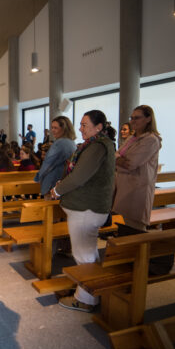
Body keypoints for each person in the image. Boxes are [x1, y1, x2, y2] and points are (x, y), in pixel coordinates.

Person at [50, 110, 116, 313]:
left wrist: (57, 190)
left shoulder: (97, 147)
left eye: (85, 125)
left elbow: (79, 177)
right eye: (80, 124)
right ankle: (88, 289)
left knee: (84, 255)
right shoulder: (98, 145)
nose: (80, 128)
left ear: (98, 127)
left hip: (86, 208)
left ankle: (85, 300)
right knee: (88, 252)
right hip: (88, 207)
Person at [112, 105, 162, 231]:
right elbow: (116, 155)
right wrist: (118, 159)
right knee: (123, 226)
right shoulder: (132, 138)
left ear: (148, 119)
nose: (132, 121)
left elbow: (130, 163)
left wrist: (117, 159)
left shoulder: (151, 140)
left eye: (137, 118)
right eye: (131, 118)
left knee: (134, 228)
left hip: (137, 187)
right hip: (124, 186)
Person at [34, 116, 77, 196]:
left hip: (52, 181)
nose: (52, 130)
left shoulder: (59, 143)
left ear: (63, 129)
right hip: (63, 181)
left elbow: (48, 163)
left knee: (49, 206)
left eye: (55, 128)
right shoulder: (72, 142)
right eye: (52, 127)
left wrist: (38, 178)